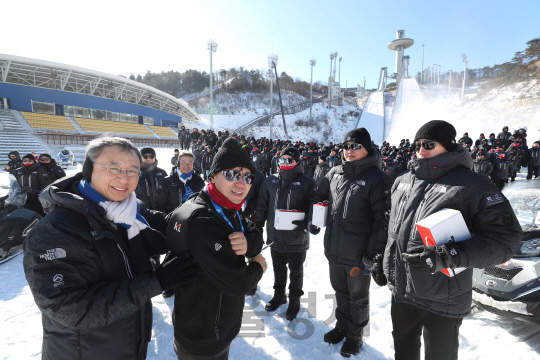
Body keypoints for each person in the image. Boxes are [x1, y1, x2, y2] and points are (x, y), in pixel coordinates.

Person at [23, 135, 197, 360]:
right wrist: (158, 282)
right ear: (88, 169)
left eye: (133, 171)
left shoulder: (130, 209)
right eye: (113, 168)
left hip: (127, 345)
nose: (124, 179)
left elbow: (166, 223)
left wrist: (205, 216)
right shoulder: (56, 230)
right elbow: (70, 307)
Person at [375, 120, 522, 360]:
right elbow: (393, 225)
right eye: (417, 144)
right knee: (403, 353)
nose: (421, 150)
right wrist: (384, 258)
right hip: (401, 292)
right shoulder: (403, 181)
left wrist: (449, 255)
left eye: (429, 144)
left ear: (448, 146)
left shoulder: (472, 185)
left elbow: (506, 239)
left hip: (442, 298)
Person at [166, 137, 267, 359]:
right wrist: (259, 264)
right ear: (213, 176)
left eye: (247, 176)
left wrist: (249, 244)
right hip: (203, 336)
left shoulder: (223, 204)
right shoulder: (203, 219)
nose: (241, 182)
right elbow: (239, 282)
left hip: (212, 325)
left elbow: (253, 230)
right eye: (232, 174)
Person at [313, 128, 391, 358]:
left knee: (358, 298)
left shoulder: (378, 179)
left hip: (359, 254)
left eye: (356, 146)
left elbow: (382, 222)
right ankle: (341, 327)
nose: (349, 151)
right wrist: (316, 218)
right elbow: (320, 196)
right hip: (335, 248)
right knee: (340, 292)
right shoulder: (335, 173)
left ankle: (355, 336)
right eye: (346, 146)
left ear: (368, 148)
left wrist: (372, 255)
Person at [255, 147, 317, 320]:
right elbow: (262, 206)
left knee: (296, 271)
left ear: (297, 162)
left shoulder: (307, 182)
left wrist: (306, 224)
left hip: (296, 238)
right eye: (282, 160)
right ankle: (279, 295)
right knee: (278, 268)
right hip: (275, 236)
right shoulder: (270, 181)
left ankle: (294, 301)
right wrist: (257, 228)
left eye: (289, 160)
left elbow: (314, 207)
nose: (284, 163)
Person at [135, 147, 168, 212]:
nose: (149, 159)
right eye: (145, 156)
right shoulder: (135, 173)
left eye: (152, 156)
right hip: (142, 212)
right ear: (140, 158)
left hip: (161, 212)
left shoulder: (162, 172)